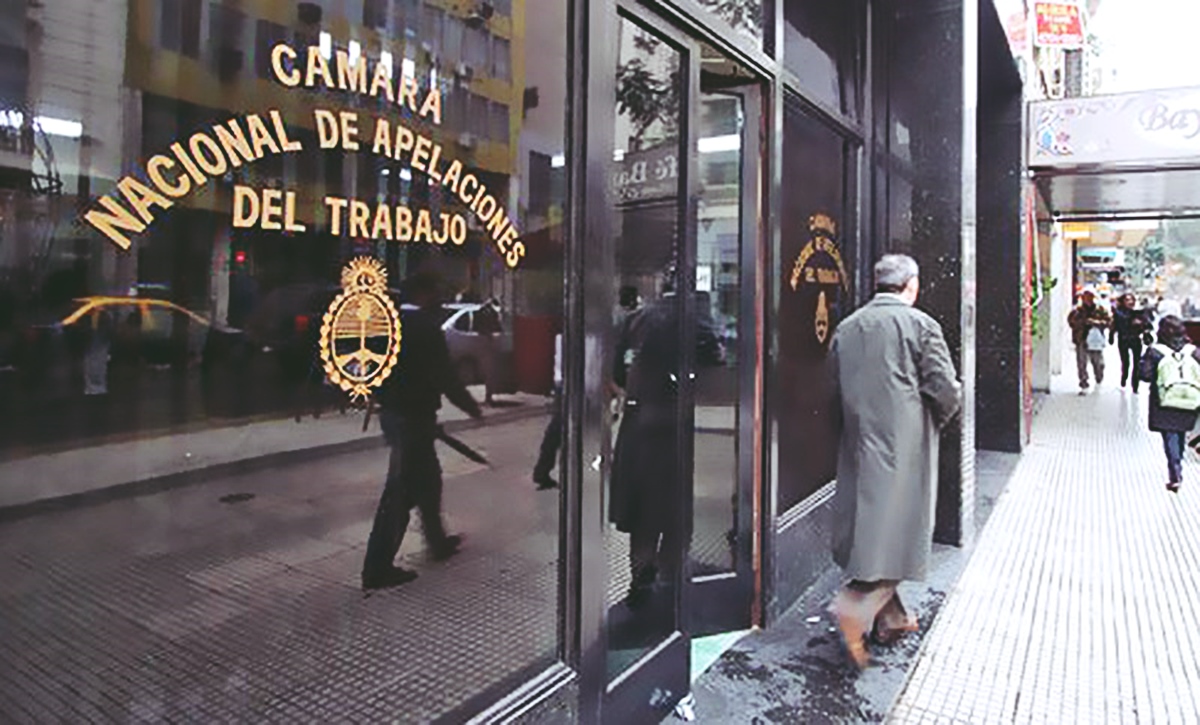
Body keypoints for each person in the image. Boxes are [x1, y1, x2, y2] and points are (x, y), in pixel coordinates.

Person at [826, 254, 962, 669]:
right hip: (905, 446)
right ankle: (855, 607)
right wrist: (935, 421)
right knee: (902, 532)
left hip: (859, 441)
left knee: (874, 531)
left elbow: (832, 390)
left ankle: (894, 620)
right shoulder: (921, 325)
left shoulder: (847, 328)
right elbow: (945, 388)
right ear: (912, 285)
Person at [361, 272, 483, 591]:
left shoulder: (387, 324)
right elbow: (445, 376)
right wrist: (471, 407)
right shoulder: (426, 328)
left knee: (429, 479)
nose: (438, 298)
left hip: (395, 415)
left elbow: (369, 368)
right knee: (400, 493)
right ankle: (376, 570)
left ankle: (438, 542)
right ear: (423, 293)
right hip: (413, 419)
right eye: (435, 292)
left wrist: (383, 398)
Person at [1139, 315, 1200, 493]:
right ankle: (1178, 461)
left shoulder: (1156, 351)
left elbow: (1144, 375)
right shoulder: (1193, 351)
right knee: (1181, 433)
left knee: (1170, 435)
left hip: (1163, 402)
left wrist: (1146, 357)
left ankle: (1175, 471)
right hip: (1189, 400)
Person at [532, 332, 563, 490]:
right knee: (561, 429)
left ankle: (542, 470)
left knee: (556, 430)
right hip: (574, 385)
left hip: (562, 384)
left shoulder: (561, 337)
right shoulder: (590, 336)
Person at [1067, 290, 1112, 394]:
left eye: (1090, 297)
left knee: (1098, 363)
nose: (1087, 299)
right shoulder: (1077, 311)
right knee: (1081, 363)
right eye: (1085, 297)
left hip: (1095, 340)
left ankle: (1099, 377)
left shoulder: (1100, 310)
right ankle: (1084, 383)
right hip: (1081, 339)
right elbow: (1071, 322)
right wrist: (1082, 323)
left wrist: (1096, 322)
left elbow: (1109, 322)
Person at [1111, 292, 1151, 393]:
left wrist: (1142, 324)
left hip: (1135, 339)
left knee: (1137, 362)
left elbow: (1148, 325)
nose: (1130, 302)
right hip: (1123, 339)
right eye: (1127, 300)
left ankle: (1135, 385)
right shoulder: (1119, 313)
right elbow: (1115, 325)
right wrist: (1111, 336)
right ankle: (1124, 379)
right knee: (1125, 362)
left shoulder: (1139, 312)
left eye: (1131, 300)